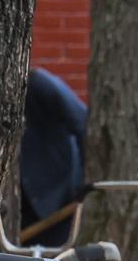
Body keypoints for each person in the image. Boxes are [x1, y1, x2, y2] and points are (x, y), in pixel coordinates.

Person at [20, 68, 88, 247]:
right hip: (23, 205)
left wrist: (80, 185)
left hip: (59, 198)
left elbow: (83, 123)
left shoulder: (39, 83)